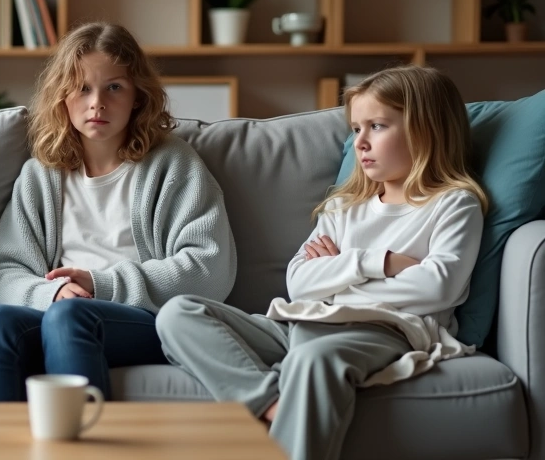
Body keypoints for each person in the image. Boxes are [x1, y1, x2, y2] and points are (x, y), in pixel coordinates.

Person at [157, 64, 488, 460]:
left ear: (426, 130)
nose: (361, 143)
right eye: (356, 129)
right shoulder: (344, 207)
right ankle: (271, 404)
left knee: (314, 358)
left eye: (377, 127)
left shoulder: (454, 204)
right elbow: (299, 283)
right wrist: (377, 262)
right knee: (178, 312)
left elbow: (437, 287)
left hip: (382, 329)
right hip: (306, 319)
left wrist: (337, 274)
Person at [0, 22, 237, 401]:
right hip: (60, 310)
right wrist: (54, 293)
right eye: (82, 88)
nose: (97, 103)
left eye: (114, 87)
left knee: (71, 317)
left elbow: (210, 268)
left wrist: (99, 284)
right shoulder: (41, 175)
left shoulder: (174, 164)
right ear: (62, 97)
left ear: (138, 96)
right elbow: (3, 272)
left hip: (147, 321)